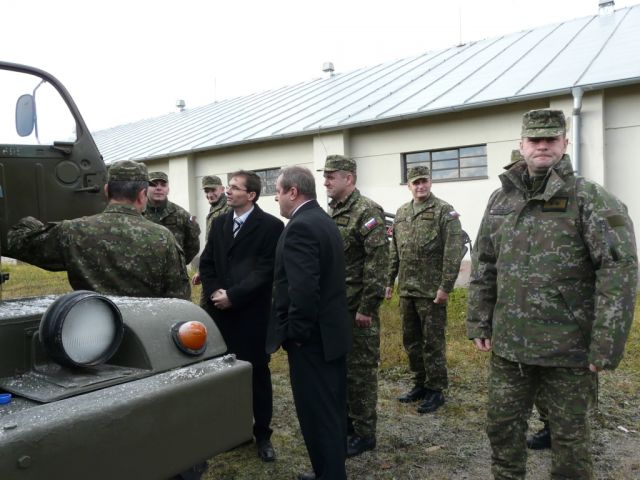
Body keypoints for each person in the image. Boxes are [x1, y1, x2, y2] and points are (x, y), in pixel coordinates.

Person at [467, 109, 638, 479]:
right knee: (502, 427)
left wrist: (606, 344)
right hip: (510, 346)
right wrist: (480, 319)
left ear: (565, 143)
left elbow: (618, 271)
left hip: (568, 350)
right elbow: (484, 261)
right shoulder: (501, 199)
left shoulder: (590, 198)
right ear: (522, 144)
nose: (542, 146)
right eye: (534, 139)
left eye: (551, 139)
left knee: (570, 440)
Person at [266, 166, 351, 480]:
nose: (276, 198)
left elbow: (303, 290)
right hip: (330, 335)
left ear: (293, 192)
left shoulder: (301, 226)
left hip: (313, 340)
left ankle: (330, 474)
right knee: (331, 410)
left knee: (318, 414)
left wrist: (297, 334)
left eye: (278, 191)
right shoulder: (322, 219)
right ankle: (329, 470)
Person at [7, 160, 190, 300]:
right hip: (145, 330)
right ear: (143, 195)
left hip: (93, 329)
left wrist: (30, 222)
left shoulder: (73, 230)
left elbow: (17, 241)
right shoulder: (163, 237)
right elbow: (179, 299)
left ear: (106, 190)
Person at [199, 170, 283, 463]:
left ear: (251, 195)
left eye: (235, 188)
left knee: (256, 375)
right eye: (229, 186)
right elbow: (207, 263)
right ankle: (236, 431)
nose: (228, 191)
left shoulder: (271, 226)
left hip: (251, 315)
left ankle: (263, 435)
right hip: (220, 314)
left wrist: (233, 296)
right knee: (226, 375)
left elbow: (265, 270)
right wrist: (215, 292)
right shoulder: (220, 223)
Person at [322, 154, 387, 457]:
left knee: (360, 372)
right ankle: (348, 422)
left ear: (348, 178)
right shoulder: (333, 210)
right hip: (336, 306)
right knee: (342, 368)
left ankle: (364, 433)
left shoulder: (367, 211)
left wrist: (367, 307)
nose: (326, 181)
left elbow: (378, 263)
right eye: (325, 176)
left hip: (357, 309)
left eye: (331, 176)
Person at [385, 165, 464, 414]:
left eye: (424, 181)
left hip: (431, 293)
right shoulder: (401, 213)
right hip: (407, 290)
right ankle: (419, 383)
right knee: (411, 341)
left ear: (430, 182)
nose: (420, 186)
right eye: (416, 182)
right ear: (409, 186)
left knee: (433, 343)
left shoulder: (444, 211)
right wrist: (389, 281)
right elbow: (394, 251)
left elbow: (453, 252)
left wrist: (445, 287)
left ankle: (436, 390)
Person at [144, 171, 201, 264]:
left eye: (163, 185)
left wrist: (178, 264)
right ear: (145, 188)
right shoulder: (137, 213)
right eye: (153, 185)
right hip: (144, 270)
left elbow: (193, 246)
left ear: (168, 190)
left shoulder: (182, 214)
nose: (159, 188)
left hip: (173, 271)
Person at [191, 175, 230, 297]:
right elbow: (210, 243)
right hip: (212, 267)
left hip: (223, 270)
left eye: (213, 190)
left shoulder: (228, 209)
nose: (210, 194)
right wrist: (201, 270)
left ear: (222, 189)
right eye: (207, 191)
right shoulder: (214, 208)